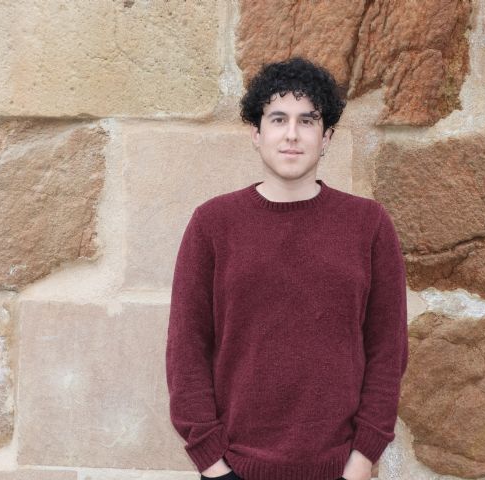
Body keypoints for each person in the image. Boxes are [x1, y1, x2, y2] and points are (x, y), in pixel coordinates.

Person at [165, 56, 408, 480]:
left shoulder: (368, 224)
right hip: (235, 467)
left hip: (339, 468)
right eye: (278, 119)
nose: (292, 134)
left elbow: (388, 350)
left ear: (326, 137)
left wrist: (361, 460)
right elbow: (187, 349)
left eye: (307, 121)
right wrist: (213, 464)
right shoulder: (213, 224)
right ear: (256, 134)